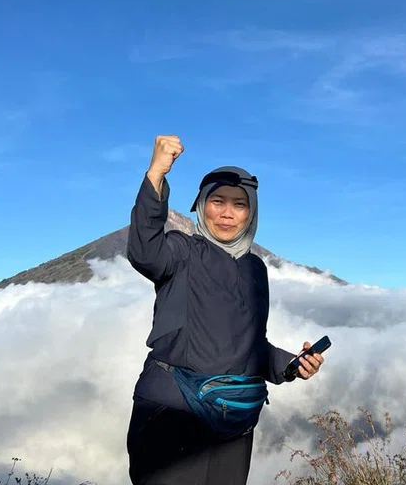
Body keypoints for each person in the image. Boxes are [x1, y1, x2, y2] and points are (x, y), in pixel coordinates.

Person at [124, 134, 325, 485]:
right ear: (201, 205)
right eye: (218, 201)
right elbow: (145, 251)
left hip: (234, 418)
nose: (228, 213)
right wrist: (156, 174)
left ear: (251, 213)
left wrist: (291, 365)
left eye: (239, 204)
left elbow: (251, 345)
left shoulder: (255, 269)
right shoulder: (181, 250)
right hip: (173, 412)